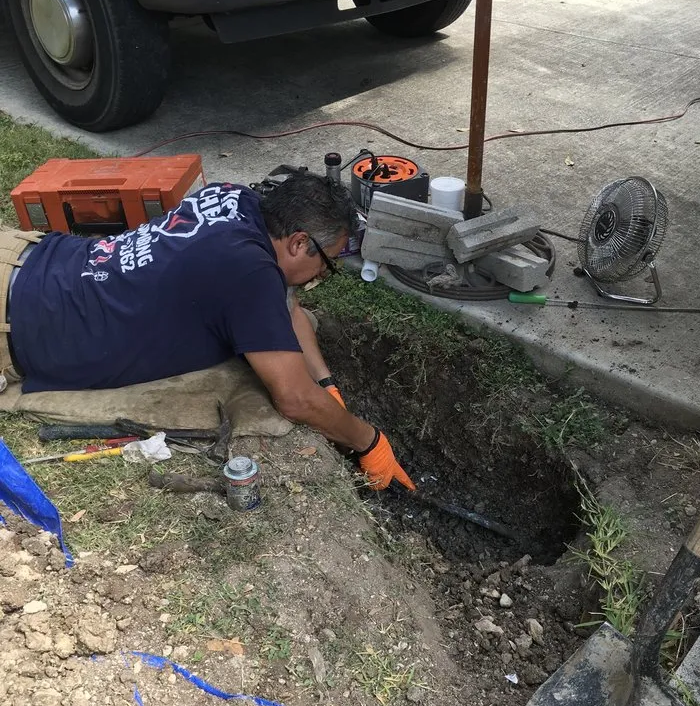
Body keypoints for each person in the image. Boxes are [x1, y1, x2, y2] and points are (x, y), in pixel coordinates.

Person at [0, 172, 414, 492]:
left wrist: (327, 383)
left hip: (24, 255)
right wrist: (368, 442)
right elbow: (293, 399)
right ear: (298, 241)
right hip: (14, 325)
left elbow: (288, 308)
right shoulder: (248, 274)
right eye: (326, 261)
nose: (324, 272)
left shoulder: (235, 198)